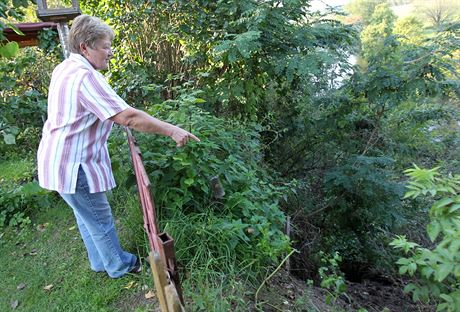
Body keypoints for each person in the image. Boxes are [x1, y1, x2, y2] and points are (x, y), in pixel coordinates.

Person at [37, 14, 199, 278]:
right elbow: (128, 117)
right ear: (85, 47)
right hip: (74, 165)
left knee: (86, 217)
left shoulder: (65, 68)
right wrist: (172, 130)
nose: (110, 53)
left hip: (57, 159)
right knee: (99, 219)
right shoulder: (84, 78)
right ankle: (120, 265)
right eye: (105, 47)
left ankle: (99, 262)